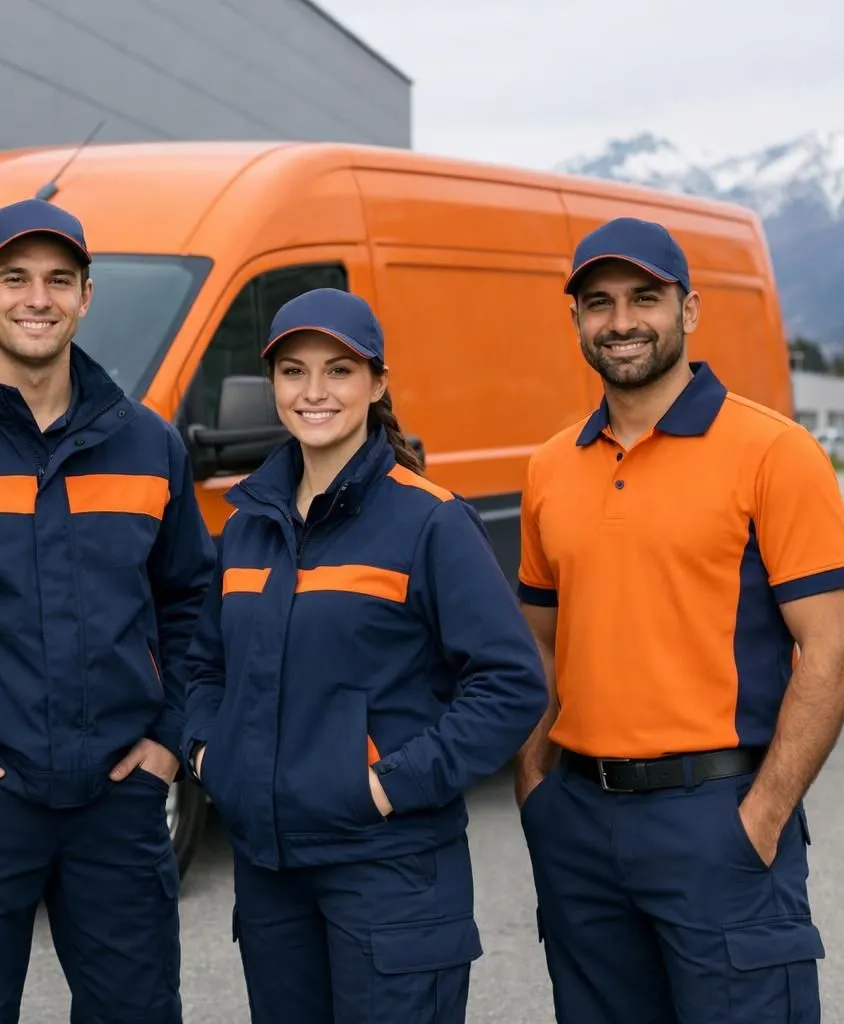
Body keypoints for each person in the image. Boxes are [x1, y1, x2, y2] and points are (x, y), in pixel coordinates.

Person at [513, 216, 844, 1023]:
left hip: (716, 819)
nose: (622, 320)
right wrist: (535, 785)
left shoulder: (773, 452)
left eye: (646, 297)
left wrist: (764, 813)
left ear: (689, 309)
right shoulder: (548, 468)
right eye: (598, 303)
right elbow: (537, 643)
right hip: (579, 823)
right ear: (576, 322)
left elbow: (836, 650)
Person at [0, 198, 217, 1024]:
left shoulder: (149, 444)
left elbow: (193, 604)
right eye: (15, 278)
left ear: (86, 296)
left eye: (60, 280)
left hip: (119, 804)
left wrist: (170, 742)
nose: (38, 297)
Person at [180, 287, 550, 1024]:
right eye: (293, 372)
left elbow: (511, 685)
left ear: (377, 383)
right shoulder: (248, 525)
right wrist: (209, 758)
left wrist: (387, 785)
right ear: (272, 387)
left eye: (339, 370)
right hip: (272, 874)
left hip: (390, 871)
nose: (314, 392)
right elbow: (202, 666)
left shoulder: (429, 522)